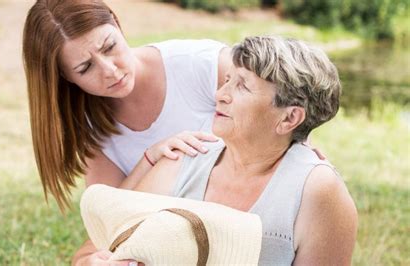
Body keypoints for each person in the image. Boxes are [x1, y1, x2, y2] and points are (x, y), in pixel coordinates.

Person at [22, 0, 230, 265]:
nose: (110, 70)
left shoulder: (201, 64)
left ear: (117, 24)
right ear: (66, 78)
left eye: (109, 46)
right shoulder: (90, 128)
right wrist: (150, 159)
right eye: (86, 68)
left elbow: (284, 117)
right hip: (174, 238)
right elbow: (109, 220)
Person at [128, 36, 358, 265]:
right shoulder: (182, 159)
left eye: (242, 86)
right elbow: (117, 245)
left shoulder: (318, 191)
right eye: (227, 80)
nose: (220, 95)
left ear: (289, 118)